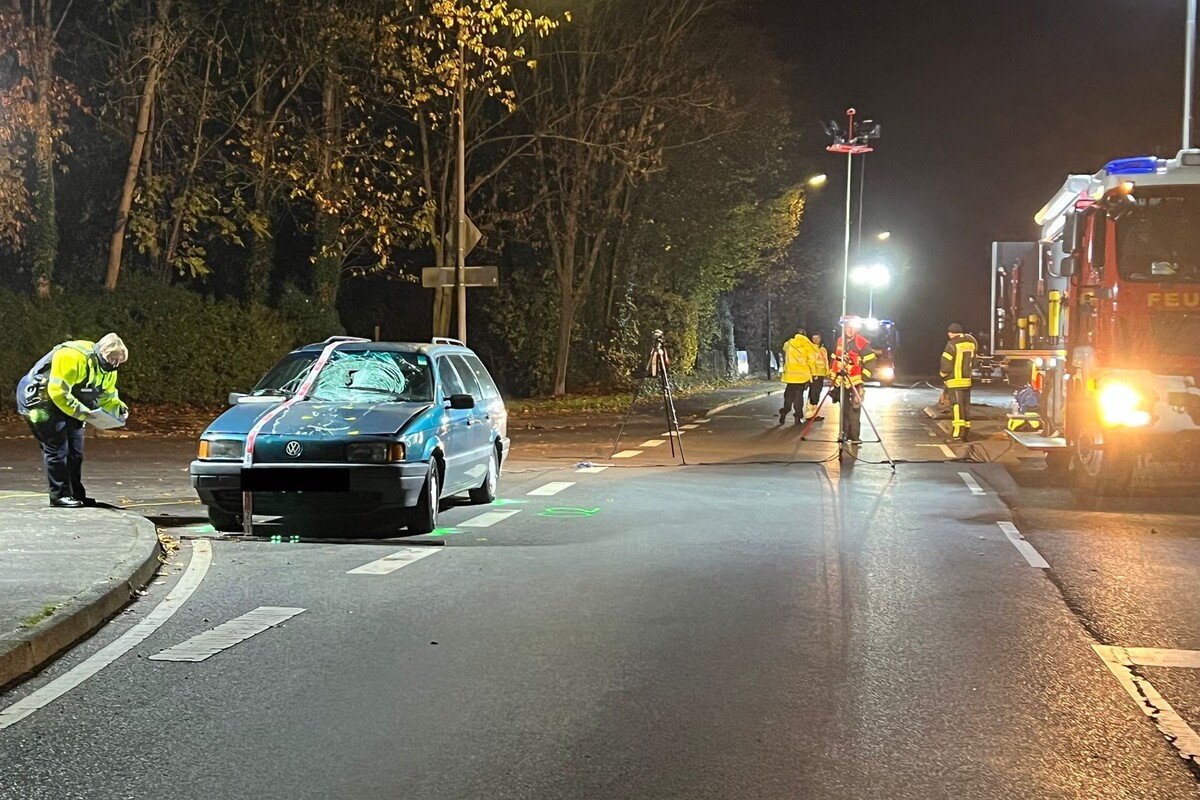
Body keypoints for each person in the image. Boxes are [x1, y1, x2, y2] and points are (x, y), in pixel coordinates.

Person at [16, 334, 129, 507]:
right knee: (57, 448)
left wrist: (118, 408)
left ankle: (75, 493)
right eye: (112, 358)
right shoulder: (72, 356)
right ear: (102, 351)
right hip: (40, 400)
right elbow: (58, 392)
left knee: (75, 452)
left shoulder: (107, 369)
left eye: (118, 361)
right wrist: (84, 414)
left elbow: (107, 395)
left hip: (70, 402)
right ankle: (59, 495)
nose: (114, 364)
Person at [830, 323, 877, 444]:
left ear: (856, 329)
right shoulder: (840, 340)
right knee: (844, 409)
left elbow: (871, 361)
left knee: (855, 409)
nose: (850, 331)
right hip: (841, 381)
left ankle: (855, 436)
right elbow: (835, 358)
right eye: (847, 328)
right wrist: (833, 377)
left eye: (852, 328)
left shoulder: (861, 342)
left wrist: (863, 377)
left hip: (855, 381)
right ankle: (843, 434)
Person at [940, 323, 978, 443]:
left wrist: (943, 375)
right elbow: (975, 361)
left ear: (950, 333)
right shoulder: (972, 341)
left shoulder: (951, 344)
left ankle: (957, 435)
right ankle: (965, 433)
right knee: (966, 408)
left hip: (954, 381)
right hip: (967, 380)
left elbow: (945, 365)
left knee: (957, 407)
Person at [779, 327, 817, 424]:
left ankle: (785, 410)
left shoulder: (788, 344)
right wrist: (814, 373)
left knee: (788, 395)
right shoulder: (808, 345)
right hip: (802, 376)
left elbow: (784, 348)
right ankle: (797, 416)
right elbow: (811, 361)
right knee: (798, 397)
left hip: (790, 376)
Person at [807, 332, 829, 421]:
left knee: (817, 393)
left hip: (821, 374)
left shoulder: (823, 349)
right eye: (814, 338)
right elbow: (811, 362)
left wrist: (828, 372)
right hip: (814, 374)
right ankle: (810, 414)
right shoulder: (811, 349)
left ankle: (814, 413)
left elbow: (825, 361)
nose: (816, 340)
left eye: (817, 338)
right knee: (813, 394)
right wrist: (813, 373)